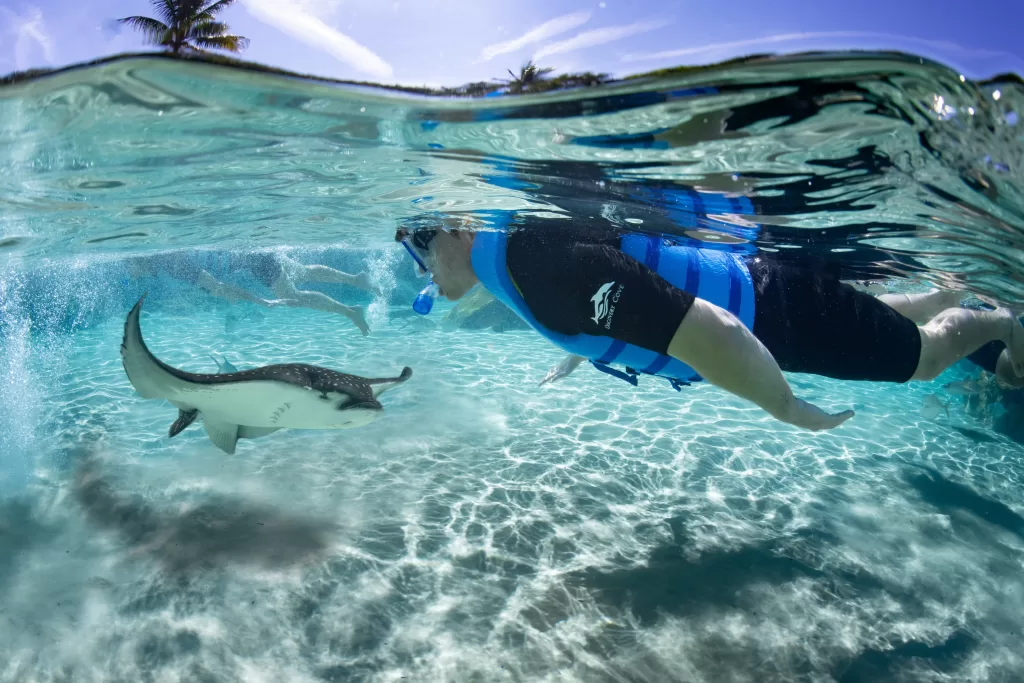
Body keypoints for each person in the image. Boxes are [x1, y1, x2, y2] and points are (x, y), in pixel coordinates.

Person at [394, 212, 1024, 431]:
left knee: (924, 360)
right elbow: (618, 300)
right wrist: (580, 351)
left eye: (412, 246)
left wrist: (784, 407)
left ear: (450, 229)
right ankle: (948, 295)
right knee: (886, 317)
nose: (416, 265)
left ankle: (1000, 322)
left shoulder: (530, 263)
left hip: (772, 316)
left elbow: (713, 333)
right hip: (768, 299)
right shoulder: (513, 258)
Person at [127, 249, 377, 335]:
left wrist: (259, 300)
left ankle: (349, 311)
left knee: (293, 295)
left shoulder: (174, 265)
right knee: (300, 271)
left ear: (143, 260)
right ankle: (355, 279)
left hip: (254, 259)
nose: (132, 274)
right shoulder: (170, 261)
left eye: (132, 266)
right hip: (253, 252)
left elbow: (220, 288)